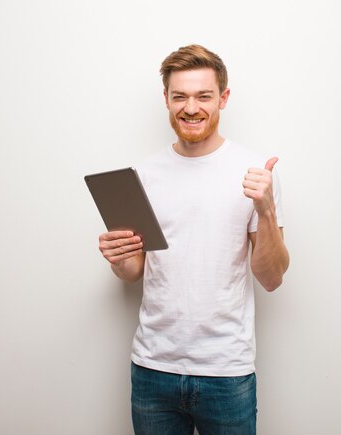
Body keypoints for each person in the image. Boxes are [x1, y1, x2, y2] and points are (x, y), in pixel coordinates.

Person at [98, 44, 289, 435]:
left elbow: (271, 278)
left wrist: (267, 211)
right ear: (166, 99)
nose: (191, 107)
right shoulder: (143, 176)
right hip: (153, 368)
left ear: (223, 98)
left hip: (226, 372)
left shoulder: (254, 174)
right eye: (179, 96)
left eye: (203, 96)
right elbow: (134, 272)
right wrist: (118, 257)